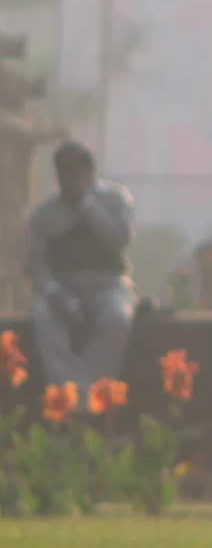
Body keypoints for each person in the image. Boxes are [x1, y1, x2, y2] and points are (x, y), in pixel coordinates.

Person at [25, 141, 136, 393]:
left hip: (107, 285)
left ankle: (85, 393)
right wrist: (55, 293)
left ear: (88, 171)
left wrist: (86, 204)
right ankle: (68, 391)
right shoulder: (44, 213)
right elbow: (36, 263)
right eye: (62, 172)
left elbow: (118, 241)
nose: (67, 179)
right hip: (61, 286)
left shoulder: (115, 199)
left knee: (117, 319)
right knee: (43, 318)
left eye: (73, 171)